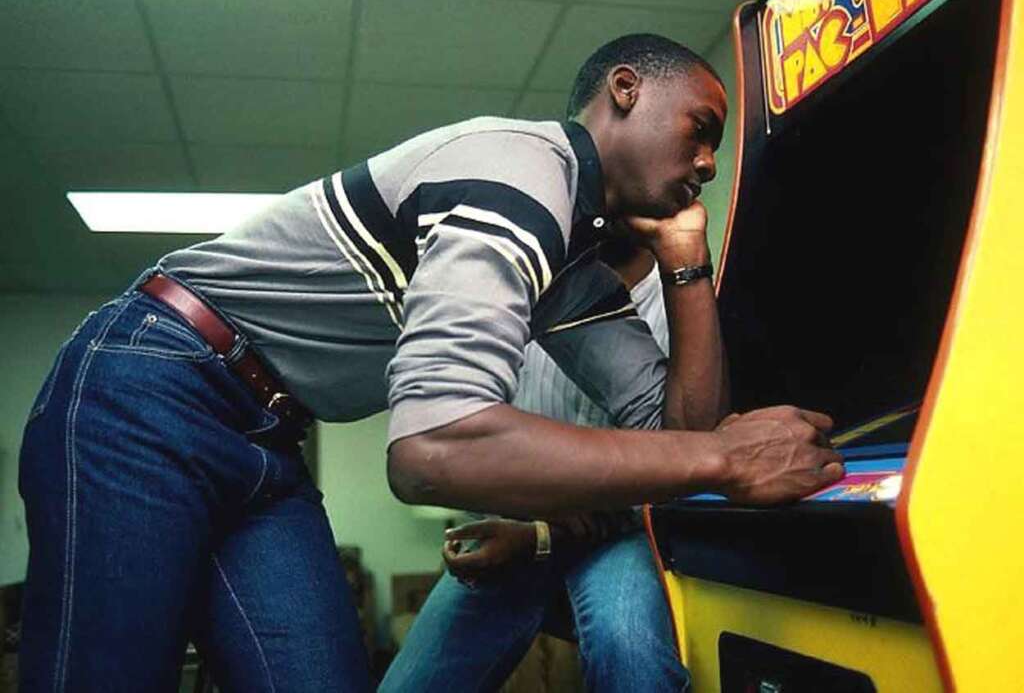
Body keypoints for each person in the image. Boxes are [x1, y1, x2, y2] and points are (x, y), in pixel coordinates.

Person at [18, 33, 844, 692]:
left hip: (266, 436)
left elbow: (678, 433)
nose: (707, 164)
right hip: (153, 383)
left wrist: (685, 262)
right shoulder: (517, 173)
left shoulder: (569, 259)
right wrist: (726, 456)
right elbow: (432, 449)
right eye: (702, 131)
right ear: (626, 90)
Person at [379, 232, 689, 692]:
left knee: (629, 653)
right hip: (512, 523)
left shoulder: (678, 309)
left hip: (622, 538)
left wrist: (540, 537)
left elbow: (681, 464)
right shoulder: (518, 287)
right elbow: (464, 439)